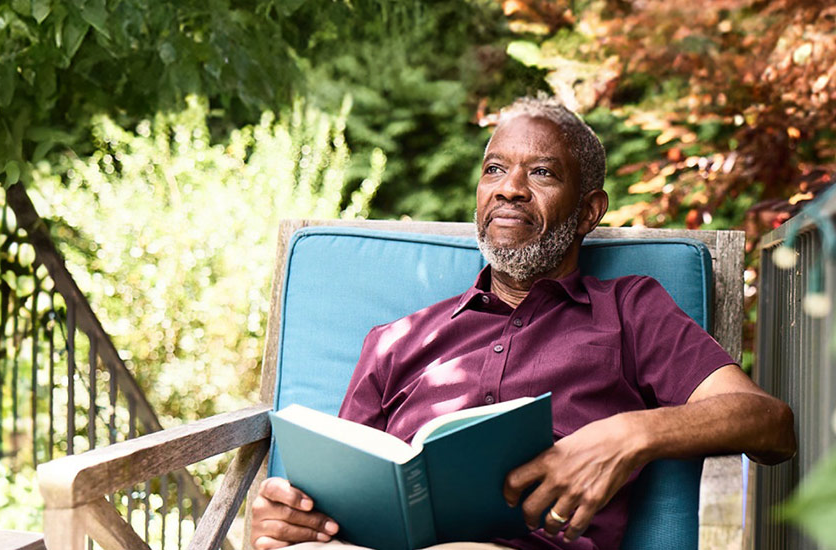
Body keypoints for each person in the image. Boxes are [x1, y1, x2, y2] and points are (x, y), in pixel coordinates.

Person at [248, 96, 797, 550]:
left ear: (587, 212)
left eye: (540, 172)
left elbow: (769, 423)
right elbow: (337, 495)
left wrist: (632, 434)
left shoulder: (630, 311)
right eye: (494, 169)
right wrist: (283, 521)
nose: (509, 188)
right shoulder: (396, 341)